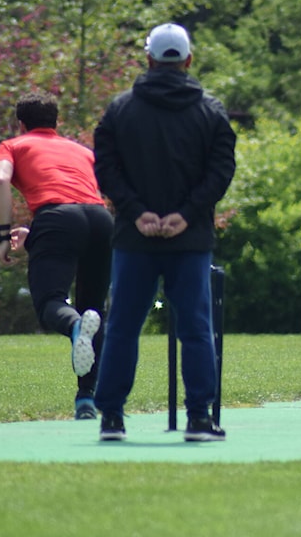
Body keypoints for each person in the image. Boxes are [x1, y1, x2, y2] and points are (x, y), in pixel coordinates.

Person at [93, 22, 236, 442]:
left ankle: (112, 418)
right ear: (188, 60)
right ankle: (198, 419)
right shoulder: (211, 110)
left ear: (149, 58)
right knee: (195, 327)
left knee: (122, 326)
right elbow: (221, 170)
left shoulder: (119, 109)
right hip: (189, 239)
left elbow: (105, 167)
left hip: (135, 238)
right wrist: (187, 214)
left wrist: (136, 212)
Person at [0, 90, 113, 419]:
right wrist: (36, 237)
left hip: (57, 217)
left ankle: (73, 326)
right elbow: (88, 194)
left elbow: (0, 179)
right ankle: (87, 399)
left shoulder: (14, 145)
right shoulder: (80, 150)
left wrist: (3, 236)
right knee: (94, 311)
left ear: (20, 123)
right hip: (101, 219)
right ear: (56, 121)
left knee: (51, 305)